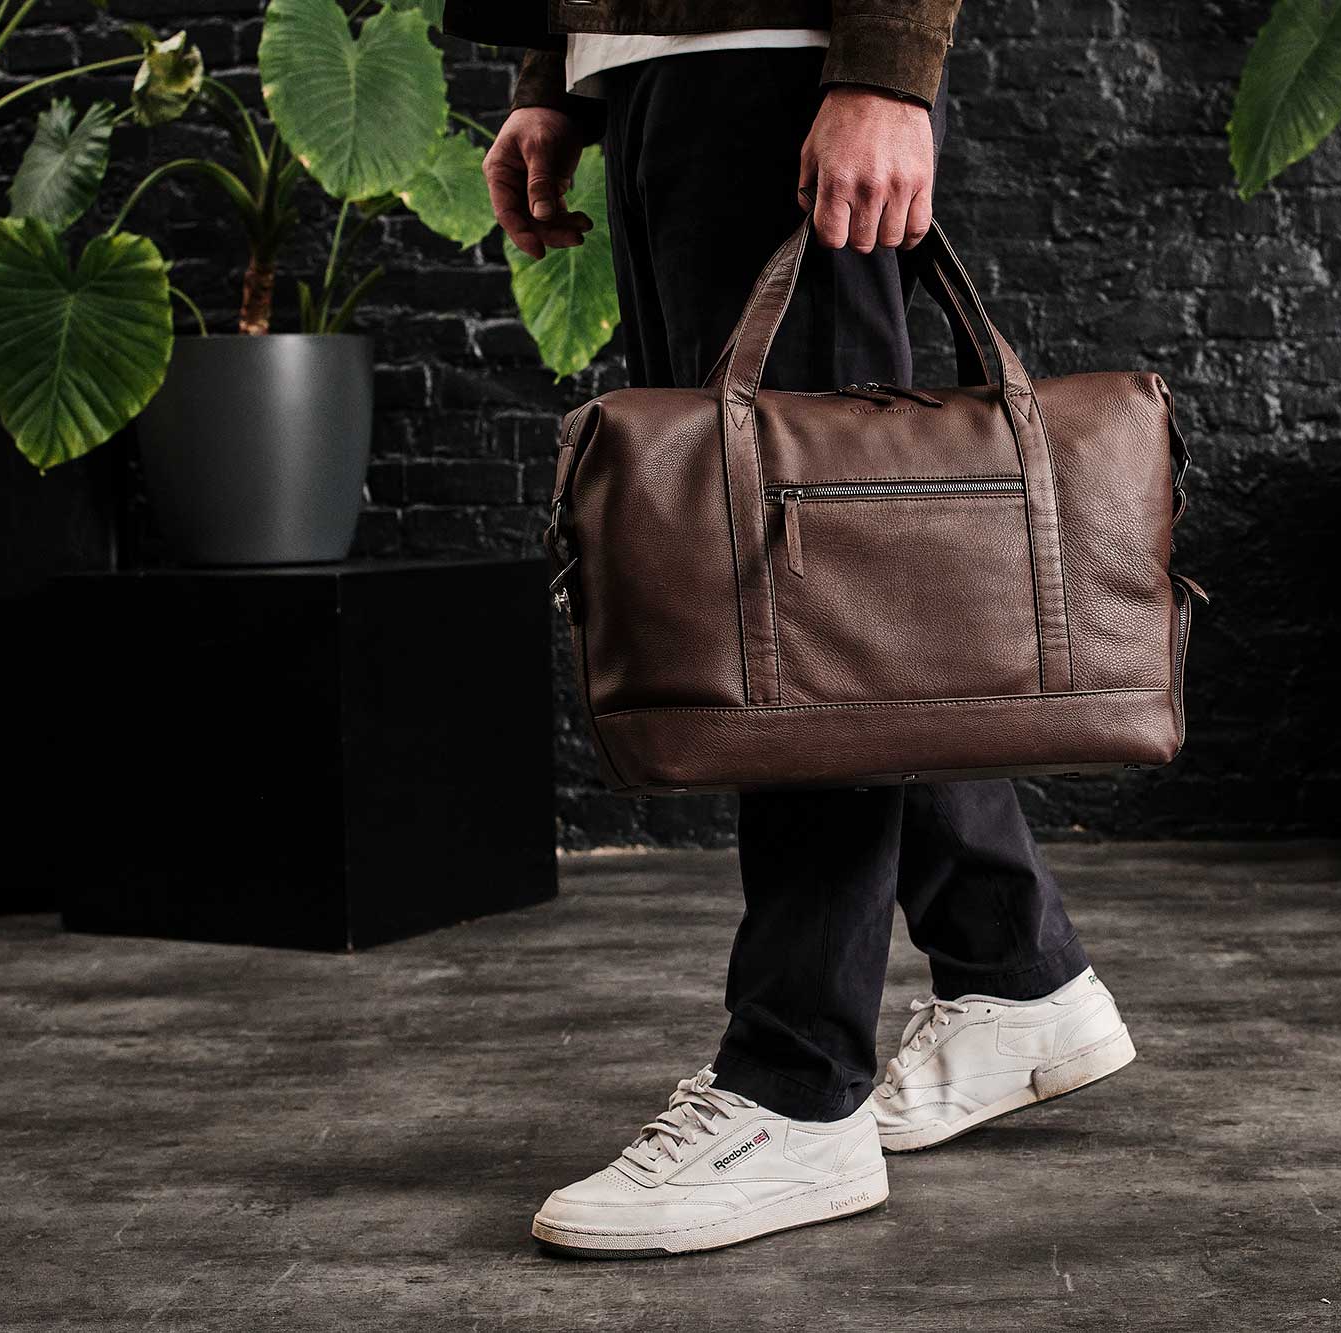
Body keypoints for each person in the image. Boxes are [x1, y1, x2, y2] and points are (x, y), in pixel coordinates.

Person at [452, 1, 1136, 1258]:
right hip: (660, 68)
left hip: (784, 66)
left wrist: (887, 71)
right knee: (790, 582)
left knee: (812, 595)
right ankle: (1010, 966)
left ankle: (796, 1086)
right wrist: (563, 69)